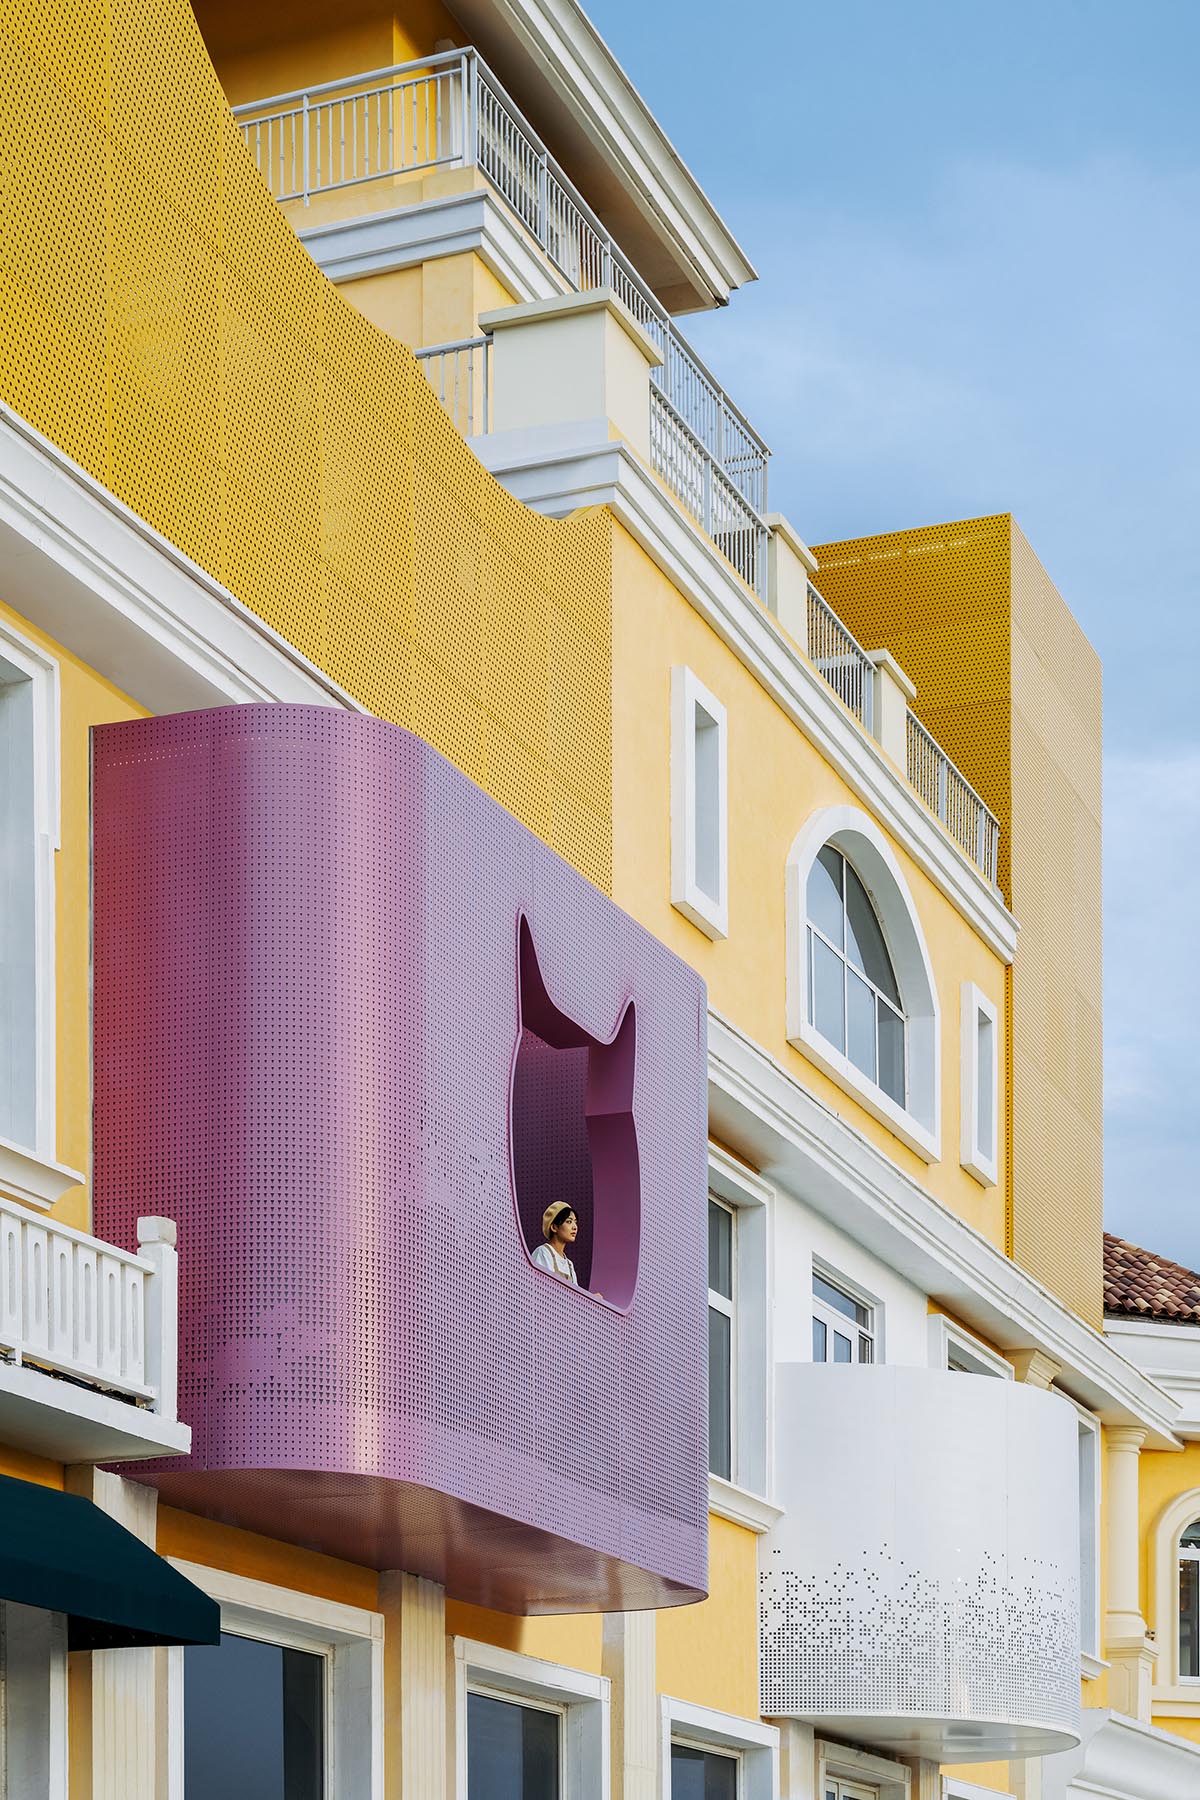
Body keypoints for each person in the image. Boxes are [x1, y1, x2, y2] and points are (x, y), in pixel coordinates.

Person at [532, 1203, 580, 1285]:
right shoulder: (543, 1252)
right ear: (554, 1227)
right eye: (569, 1221)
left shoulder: (569, 1265)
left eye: (575, 1222)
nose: (575, 1227)